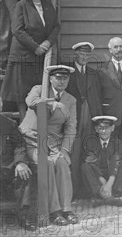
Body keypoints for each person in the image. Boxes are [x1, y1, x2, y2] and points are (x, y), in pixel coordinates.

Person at [18, 65, 79, 225]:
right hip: (32, 141)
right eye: (58, 78)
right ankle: (54, 211)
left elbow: (71, 128)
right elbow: (30, 101)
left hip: (53, 144)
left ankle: (67, 209)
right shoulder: (39, 89)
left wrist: (64, 150)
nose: (61, 81)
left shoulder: (70, 100)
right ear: (50, 78)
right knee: (48, 164)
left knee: (62, 163)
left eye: (65, 78)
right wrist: (51, 104)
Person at [0, 0, 59, 119]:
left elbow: (56, 27)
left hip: (41, 54)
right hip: (23, 54)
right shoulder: (21, 5)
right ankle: (23, 123)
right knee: (22, 92)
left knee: (38, 89)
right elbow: (17, 30)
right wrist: (35, 47)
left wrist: (47, 43)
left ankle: (36, 125)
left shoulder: (47, 4)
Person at [66, 41, 103, 196]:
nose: (84, 57)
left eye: (87, 55)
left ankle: (90, 190)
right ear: (76, 54)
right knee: (74, 151)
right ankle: (73, 190)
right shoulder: (68, 71)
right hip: (75, 115)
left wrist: (99, 117)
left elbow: (98, 96)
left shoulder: (94, 73)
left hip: (91, 114)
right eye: (81, 54)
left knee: (90, 150)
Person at [81, 115, 122, 207]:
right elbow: (92, 162)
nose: (103, 131)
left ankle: (107, 197)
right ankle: (107, 196)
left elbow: (115, 162)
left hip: (112, 174)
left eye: (106, 128)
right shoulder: (91, 142)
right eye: (100, 128)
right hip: (98, 175)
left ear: (112, 128)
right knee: (85, 166)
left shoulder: (117, 143)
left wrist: (109, 184)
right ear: (96, 129)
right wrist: (104, 184)